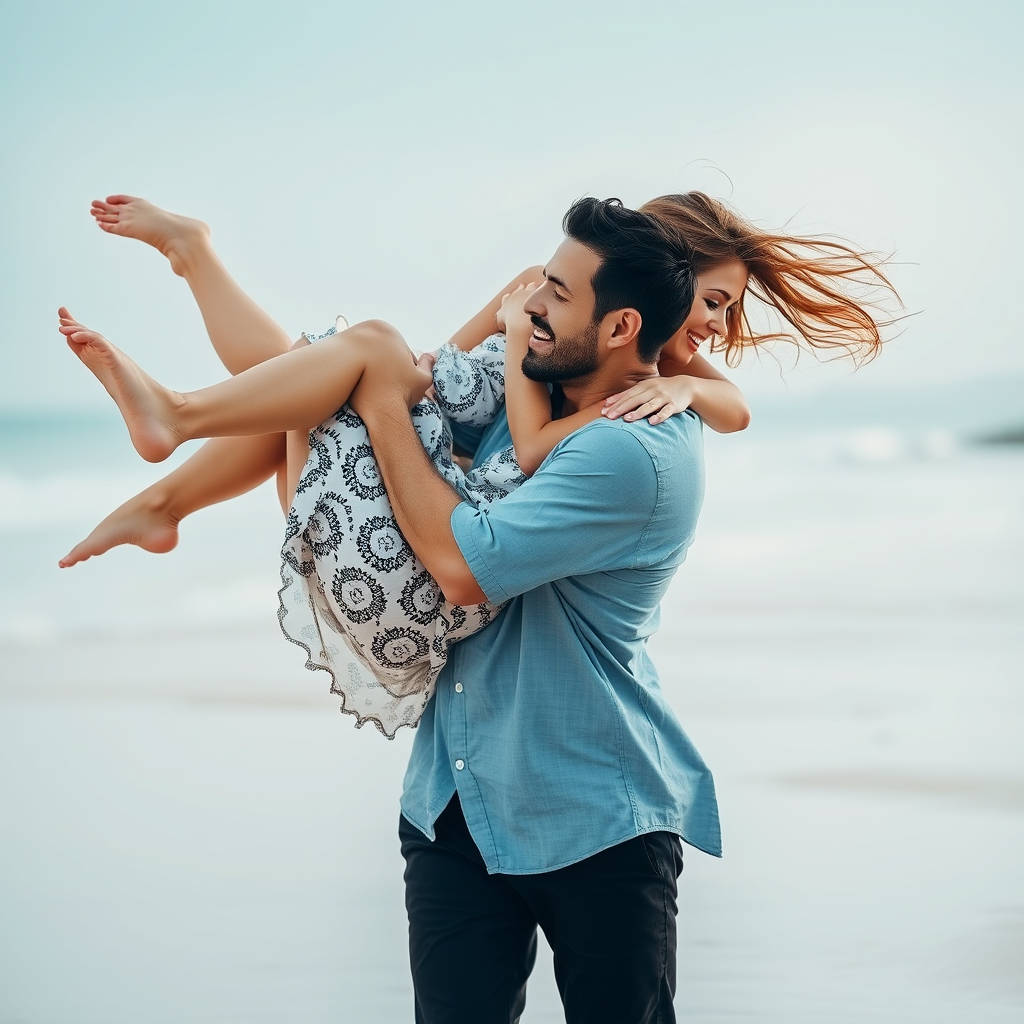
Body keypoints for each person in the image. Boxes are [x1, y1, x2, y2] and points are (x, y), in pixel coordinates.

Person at [57, 197, 750, 736]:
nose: (715, 323)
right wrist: (406, 377)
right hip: (386, 545)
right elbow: (437, 366)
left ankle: (177, 414)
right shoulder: (553, 314)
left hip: (402, 566)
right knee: (324, 367)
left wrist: (689, 387)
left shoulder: (641, 391)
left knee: (338, 358)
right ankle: (169, 473)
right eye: (711, 300)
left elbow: (726, 407)